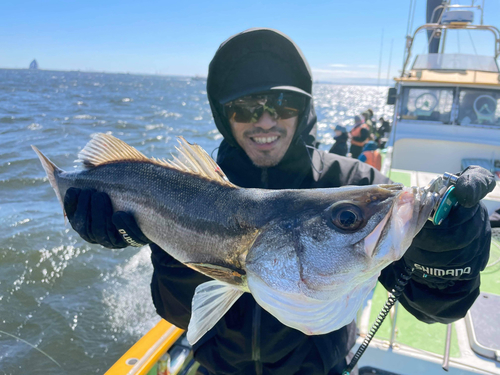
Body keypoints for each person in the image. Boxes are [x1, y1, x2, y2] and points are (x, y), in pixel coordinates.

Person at [63, 28, 496, 375]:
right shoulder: (187, 190)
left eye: (282, 103)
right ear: (222, 113)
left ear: (304, 106)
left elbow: (440, 311)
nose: (265, 120)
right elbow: (179, 314)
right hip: (218, 368)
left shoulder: (353, 183)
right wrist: (138, 231)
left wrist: (447, 251)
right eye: (245, 107)